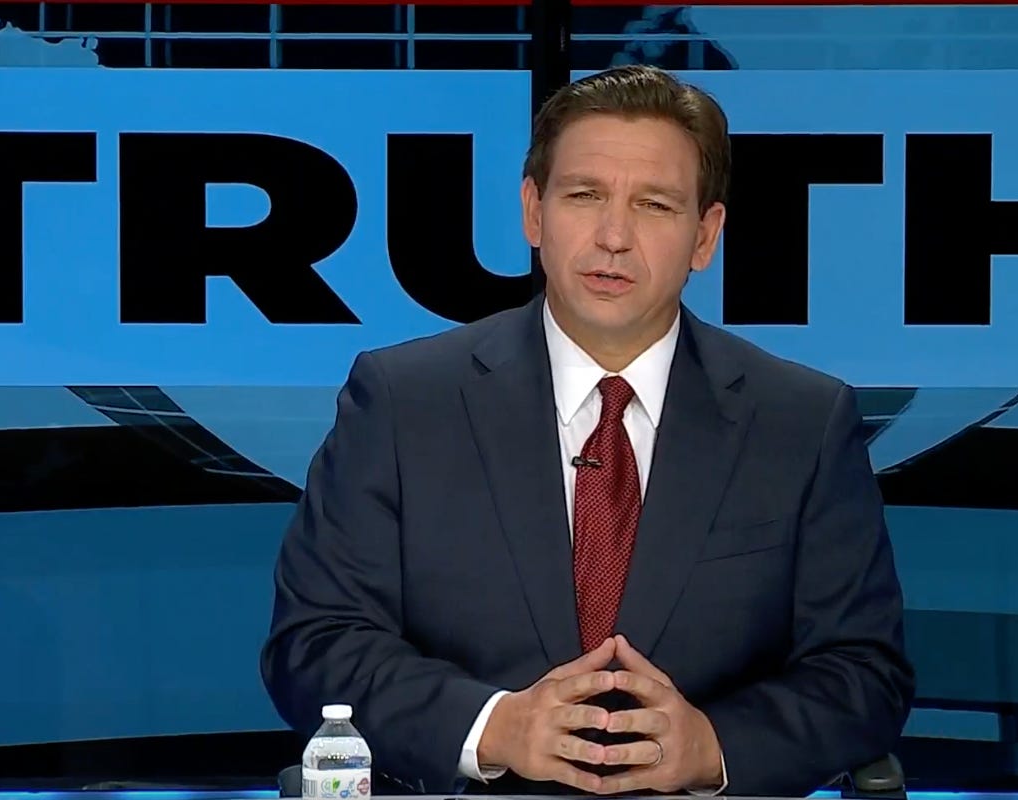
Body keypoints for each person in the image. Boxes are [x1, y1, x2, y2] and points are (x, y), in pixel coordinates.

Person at [261, 64, 914, 797]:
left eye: (654, 205)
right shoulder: (404, 403)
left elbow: (864, 673)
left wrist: (713, 746)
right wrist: (495, 727)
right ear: (533, 212)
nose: (613, 237)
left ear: (705, 236)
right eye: (584, 196)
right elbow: (316, 644)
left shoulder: (801, 423)